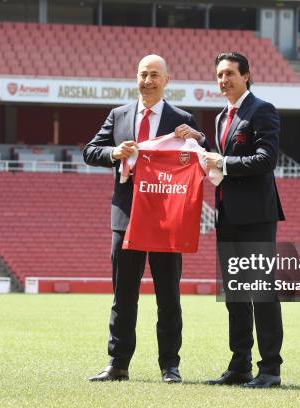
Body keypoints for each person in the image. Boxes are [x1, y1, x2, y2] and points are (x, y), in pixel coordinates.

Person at [83, 54, 207, 383]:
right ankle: (117, 364)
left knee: (168, 296)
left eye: (154, 75)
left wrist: (198, 138)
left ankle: (170, 366)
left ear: (167, 80)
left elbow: (202, 156)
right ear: (135, 77)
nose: (148, 80)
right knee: (123, 296)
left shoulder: (182, 118)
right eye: (143, 74)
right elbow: (90, 150)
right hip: (126, 217)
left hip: (166, 220)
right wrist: (113, 152)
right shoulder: (119, 115)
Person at [203, 52, 285, 389]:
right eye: (219, 75)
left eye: (230, 74)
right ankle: (239, 366)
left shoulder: (262, 110)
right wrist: (199, 145)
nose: (224, 80)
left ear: (247, 75)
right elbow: (220, 158)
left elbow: (267, 160)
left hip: (256, 218)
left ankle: (270, 371)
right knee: (235, 295)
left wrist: (223, 162)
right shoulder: (222, 117)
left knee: (261, 294)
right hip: (228, 216)